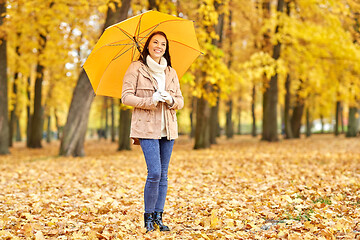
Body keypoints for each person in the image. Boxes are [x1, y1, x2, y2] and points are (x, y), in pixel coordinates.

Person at [121, 31, 184, 232]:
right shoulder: (136, 68)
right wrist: (151, 100)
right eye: (155, 42)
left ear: (166, 48)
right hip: (146, 127)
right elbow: (126, 97)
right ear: (148, 45)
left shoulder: (171, 72)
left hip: (168, 128)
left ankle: (158, 217)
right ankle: (148, 218)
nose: (159, 46)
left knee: (164, 175)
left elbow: (180, 101)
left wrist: (170, 100)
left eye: (163, 44)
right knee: (154, 172)